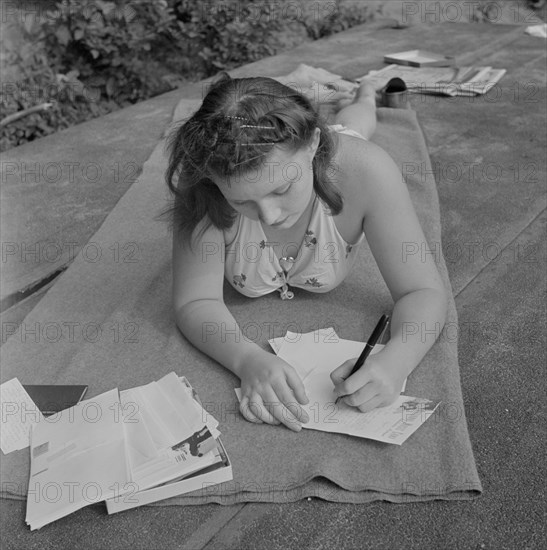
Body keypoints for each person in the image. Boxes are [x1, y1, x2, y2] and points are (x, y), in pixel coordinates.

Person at [165, 65, 447, 433]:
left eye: (281, 189)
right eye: (242, 201)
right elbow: (194, 302)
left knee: (356, 124)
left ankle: (362, 93)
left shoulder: (367, 170)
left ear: (312, 144)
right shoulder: (203, 190)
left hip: (341, 154)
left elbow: (422, 290)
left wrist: (397, 361)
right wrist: (246, 359)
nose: (269, 214)